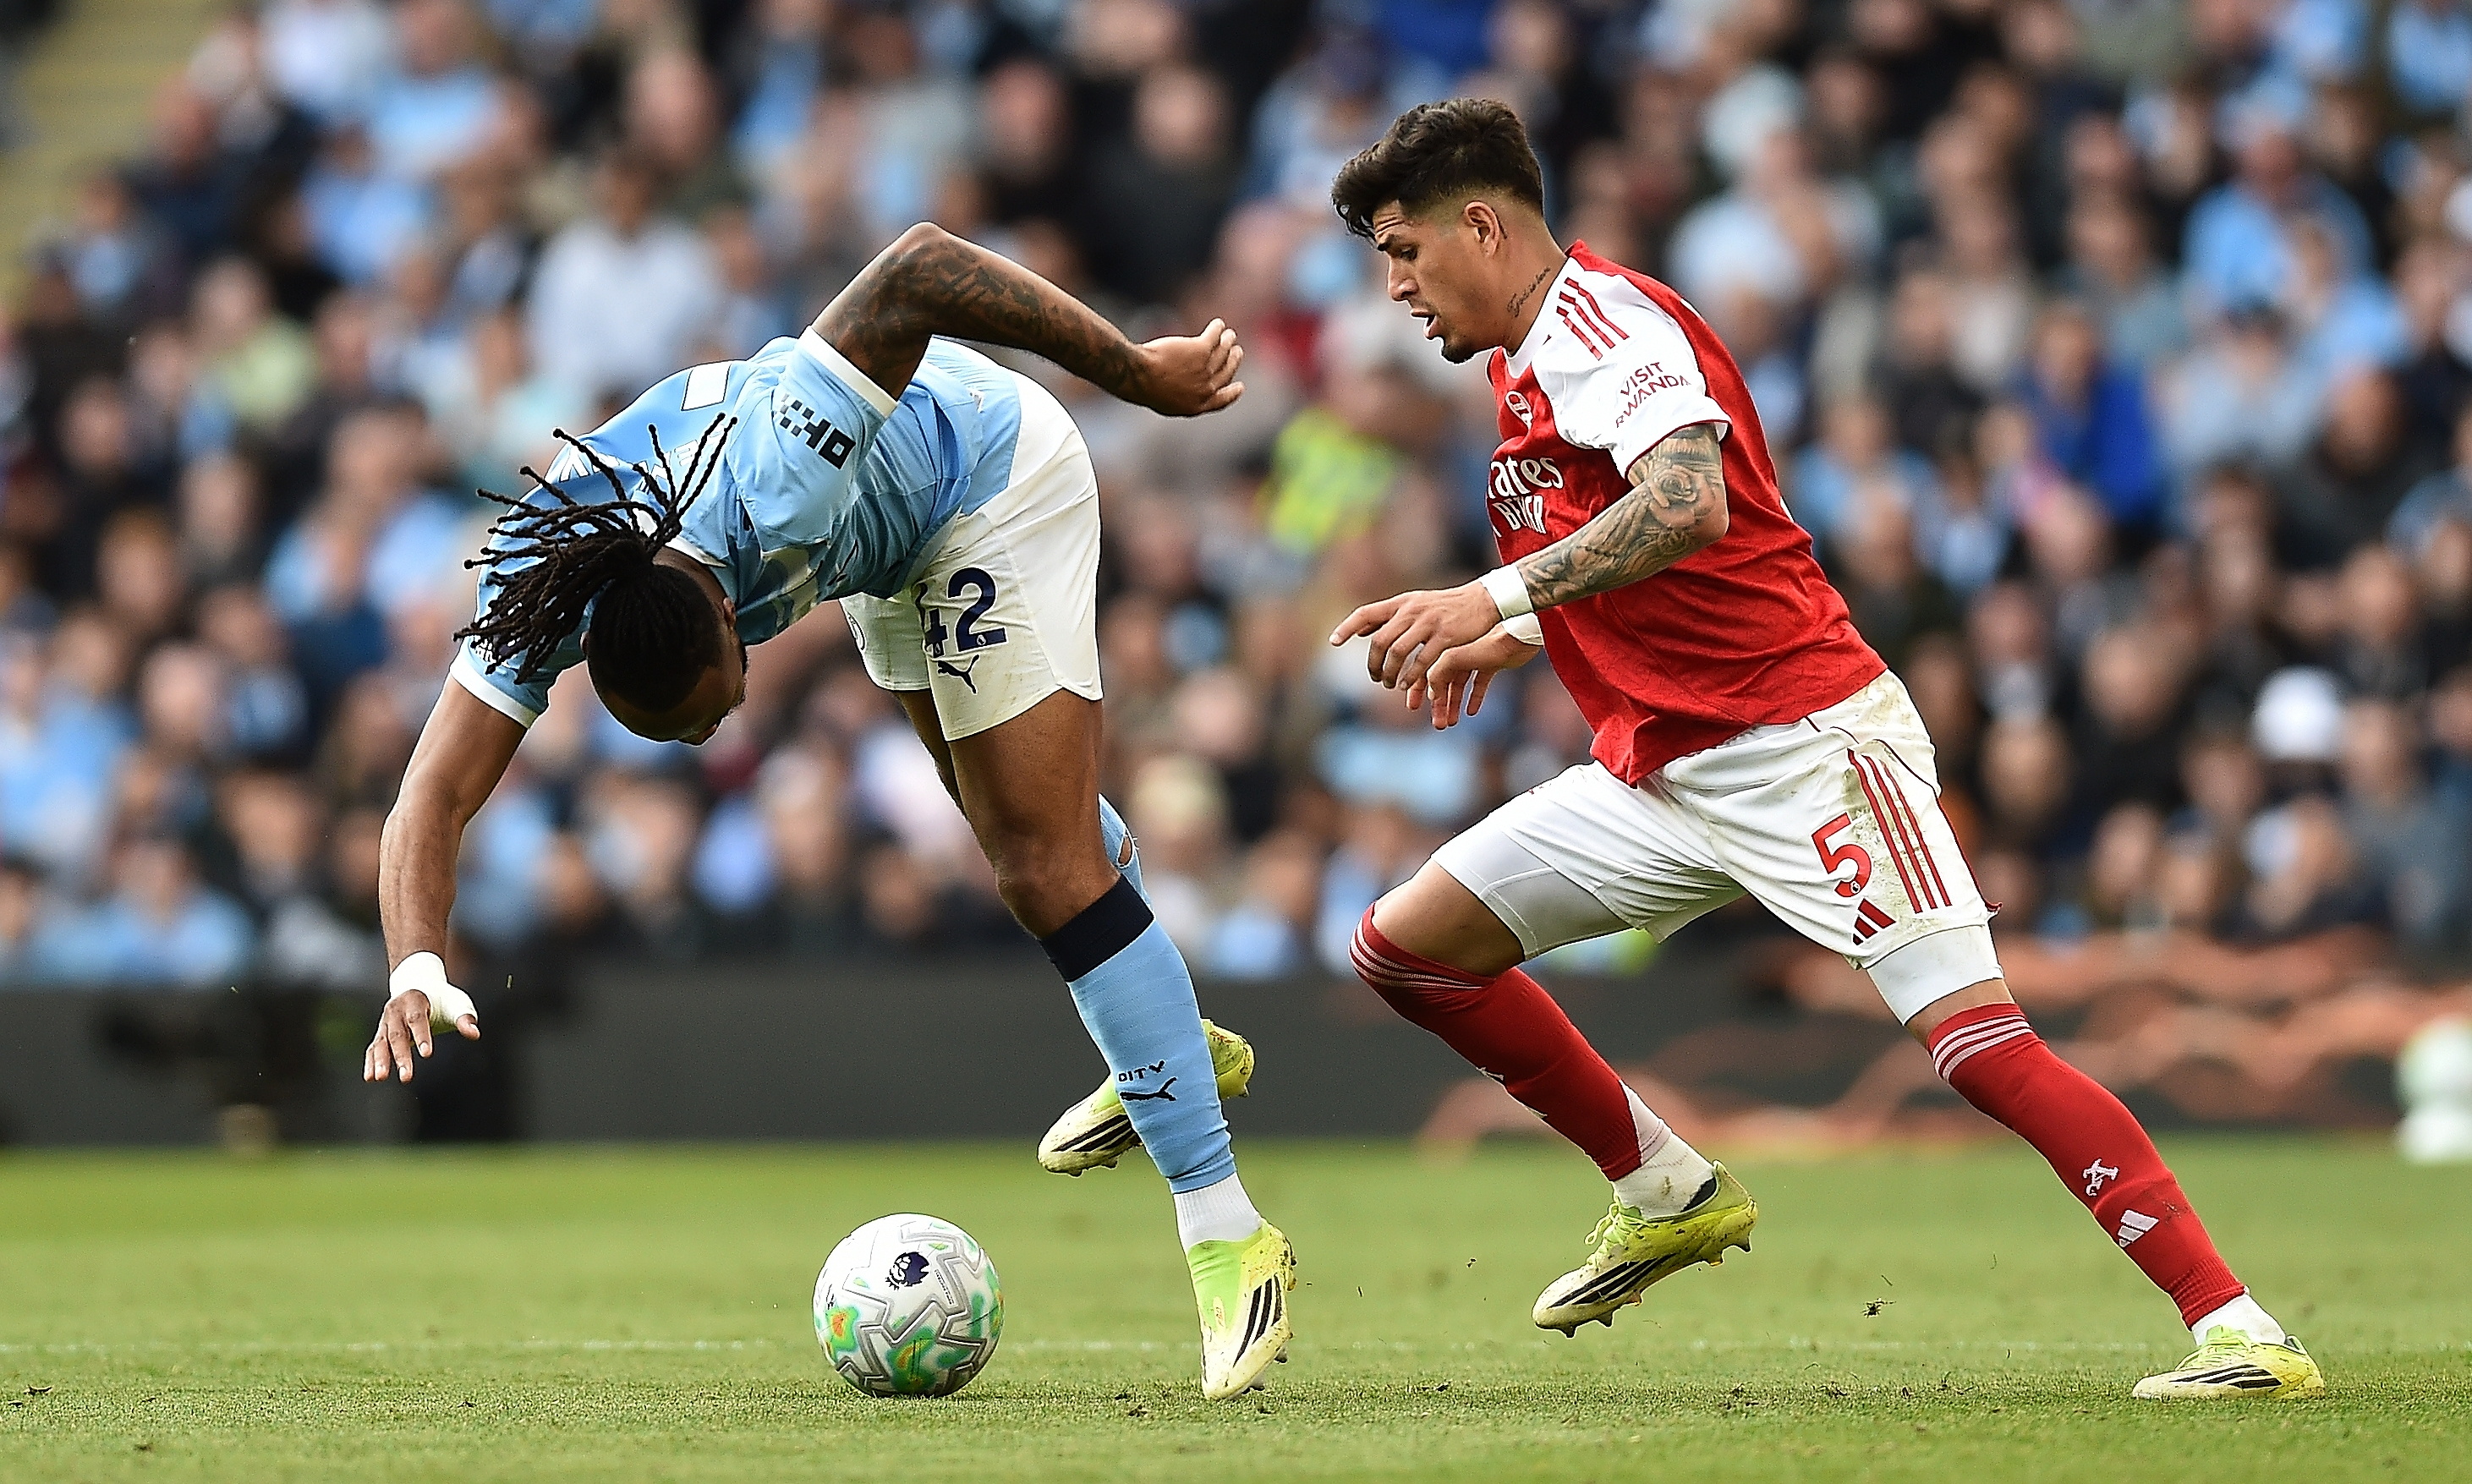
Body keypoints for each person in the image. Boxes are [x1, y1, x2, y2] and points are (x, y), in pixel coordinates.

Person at [1320, 99, 2324, 1401]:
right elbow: (1656, 560)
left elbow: (1690, 502)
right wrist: (1506, 639)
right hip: (1665, 770)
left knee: (1980, 1049)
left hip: (1808, 745)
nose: (1393, 287)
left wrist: (1492, 602)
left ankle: (2242, 1329)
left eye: (1403, 252)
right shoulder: (1520, 360)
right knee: (1408, 948)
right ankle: (1663, 1187)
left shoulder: (1602, 325)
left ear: (1482, 223)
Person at [359, 222, 1294, 1401]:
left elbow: (917, 268)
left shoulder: (776, 474)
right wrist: (415, 963)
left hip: (986, 471)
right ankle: (1165, 1046)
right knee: (1017, 839)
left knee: (1043, 869)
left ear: (731, 621)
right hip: (880, 554)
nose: (717, 732)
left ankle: (1226, 1234)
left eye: (710, 712)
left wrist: (1133, 374)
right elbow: (427, 797)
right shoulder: (541, 576)